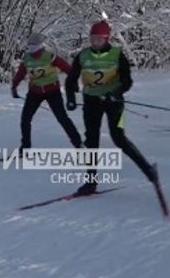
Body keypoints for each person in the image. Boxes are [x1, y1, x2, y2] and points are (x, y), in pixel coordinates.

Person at [65, 21, 158, 195]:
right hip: (91, 102)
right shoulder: (83, 56)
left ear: (106, 39)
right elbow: (71, 80)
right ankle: (91, 182)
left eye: (99, 39)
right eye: (92, 39)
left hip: (113, 102)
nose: (95, 43)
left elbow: (126, 81)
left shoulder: (117, 54)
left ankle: (148, 170)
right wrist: (70, 97)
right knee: (91, 140)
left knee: (118, 138)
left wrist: (115, 93)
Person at [11, 32, 82, 152]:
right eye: (30, 46)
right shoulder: (27, 59)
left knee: (62, 118)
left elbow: (67, 68)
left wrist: (73, 82)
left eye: (34, 46)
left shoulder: (49, 56)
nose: (31, 49)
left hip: (52, 90)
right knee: (25, 119)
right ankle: (25, 146)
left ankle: (78, 144)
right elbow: (20, 74)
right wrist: (14, 86)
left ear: (40, 45)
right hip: (35, 92)